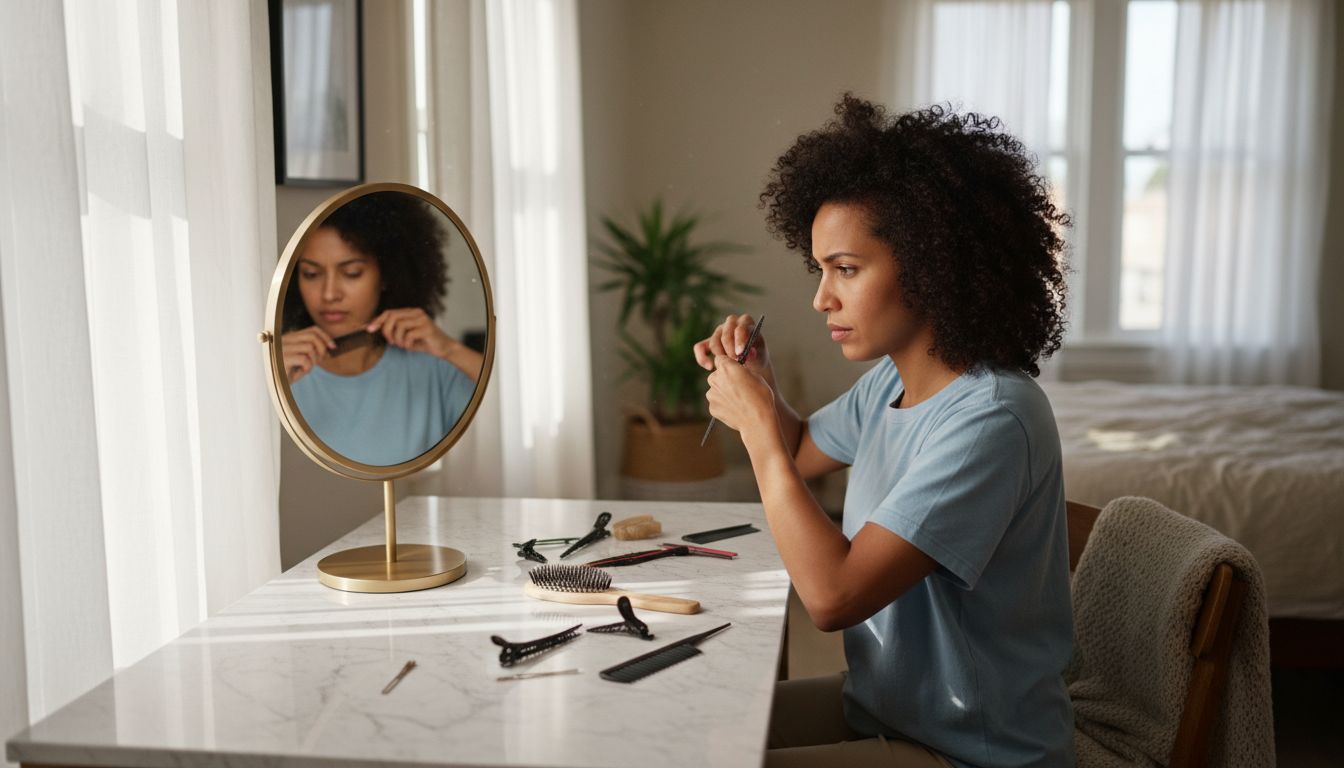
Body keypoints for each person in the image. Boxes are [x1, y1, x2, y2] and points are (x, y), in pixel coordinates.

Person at [694, 96, 1074, 768]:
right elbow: (802, 452)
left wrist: (755, 431)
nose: (821, 298)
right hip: (885, 708)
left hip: (972, 750)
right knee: (689, 730)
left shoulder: (992, 418)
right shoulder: (891, 383)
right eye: (820, 270)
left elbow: (832, 597)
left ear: (932, 264)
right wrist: (763, 385)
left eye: (845, 269)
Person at [281, 191, 484, 466]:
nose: (329, 294)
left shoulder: (434, 370)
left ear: (387, 275)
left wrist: (450, 349)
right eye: (311, 274)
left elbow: (511, 413)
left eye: (351, 273)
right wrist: (269, 380)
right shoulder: (284, 368)